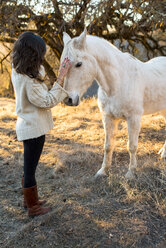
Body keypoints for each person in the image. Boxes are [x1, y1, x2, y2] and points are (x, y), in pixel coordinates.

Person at [11, 31, 70, 217]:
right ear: (32, 56)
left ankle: (29, 200)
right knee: (30, 169)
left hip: (28, 126)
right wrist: (61, 77)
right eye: (40, 55)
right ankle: (33, 208)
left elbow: (39, 75)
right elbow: (48, 101)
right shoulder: (29, 82)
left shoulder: (18, 69)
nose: (42, 58)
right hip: (33, 130)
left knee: (30, 167)